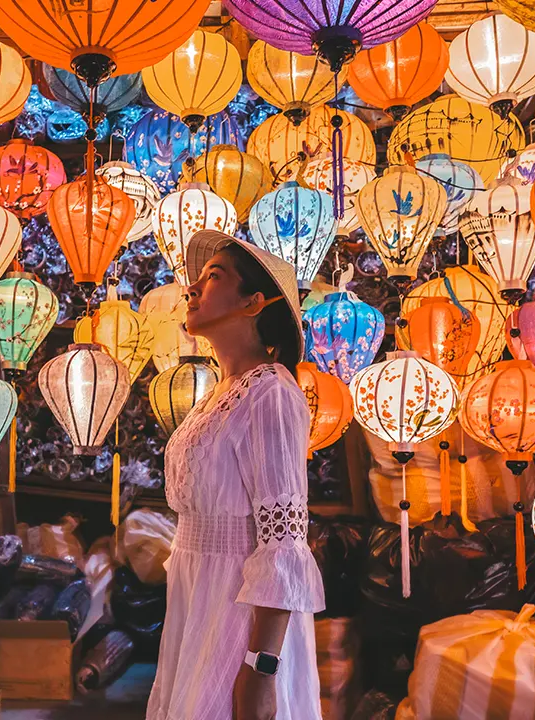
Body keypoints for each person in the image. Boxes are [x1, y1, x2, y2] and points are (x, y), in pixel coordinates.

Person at [147, 230, 324, 720]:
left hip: (237, 616)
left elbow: (283, 544)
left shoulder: (271, 393)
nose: (191, 289)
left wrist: (261, 669)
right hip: (196, 605)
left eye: (213, 277)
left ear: (253, 303)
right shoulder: (219, 395)